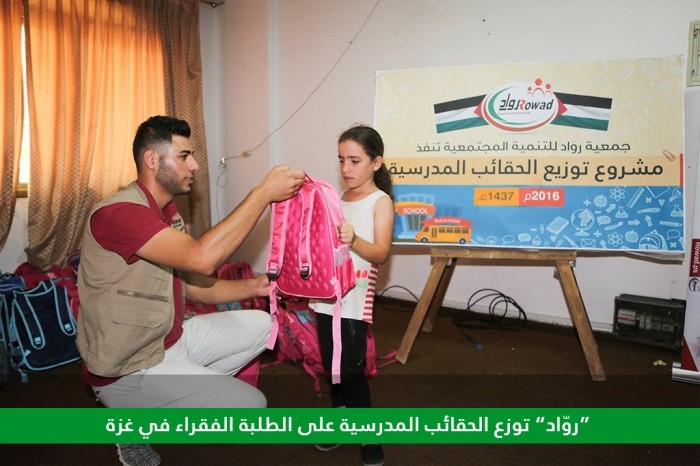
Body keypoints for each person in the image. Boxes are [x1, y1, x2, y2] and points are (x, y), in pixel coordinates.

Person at [76, 115, 305, 466]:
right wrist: (262, 194)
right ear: (152, 160)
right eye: (184, 156)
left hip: (168, 341)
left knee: (264, 325)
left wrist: (256, 285)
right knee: (251, 407)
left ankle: (179, 395)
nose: (195, 165)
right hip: (131, 367)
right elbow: (202, 258)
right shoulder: (119, 214)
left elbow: (192, 288)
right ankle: (131, 419)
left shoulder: (166, 211)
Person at [311, 124, 394, 466]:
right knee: (332, 366)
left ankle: (368, 434)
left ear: (376, 163)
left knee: (351, 370)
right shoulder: (336, 198)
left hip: (355, 301)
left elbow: (381, 253)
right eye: (341, 160)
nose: (346, 168)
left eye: (355, 161)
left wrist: (354, 239)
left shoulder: (380, 202)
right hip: (326, 297)